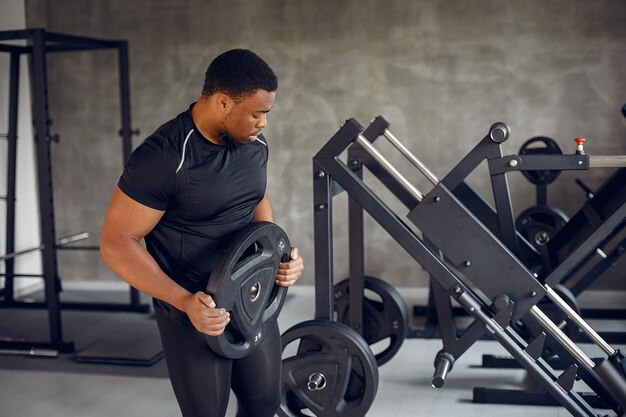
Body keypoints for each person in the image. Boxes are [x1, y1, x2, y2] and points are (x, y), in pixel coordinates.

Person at [100, 49, 304, 417]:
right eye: (257, 113)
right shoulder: (163, 158)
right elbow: (116, 244)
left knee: (264, 403)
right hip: (193, 310)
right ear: (223, 101)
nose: (263, 123)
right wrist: (182, 302)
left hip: (249, 300)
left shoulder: (253, 144)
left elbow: (255, 197)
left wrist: (278, 258)